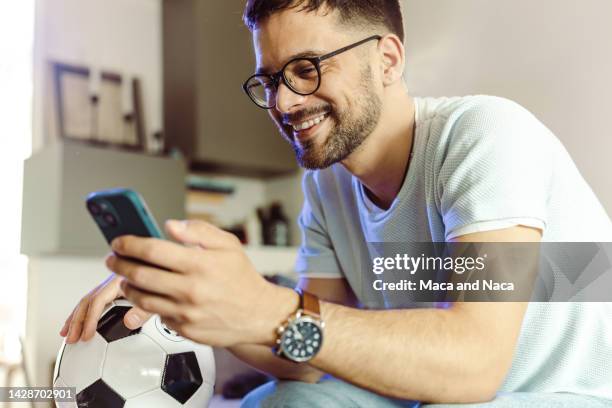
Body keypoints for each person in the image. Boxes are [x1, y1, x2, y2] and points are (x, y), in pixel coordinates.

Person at [60, 0, 612, 407]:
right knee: (279, 403)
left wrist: (264, 306)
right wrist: (200, 311)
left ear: (389, 60)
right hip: (441, 391)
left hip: (561, 391)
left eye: (307, 68)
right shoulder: (326, 185)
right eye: (271, 80)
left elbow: (475, 363)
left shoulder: (484, 135)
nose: (283, 101)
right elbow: (303, 355)